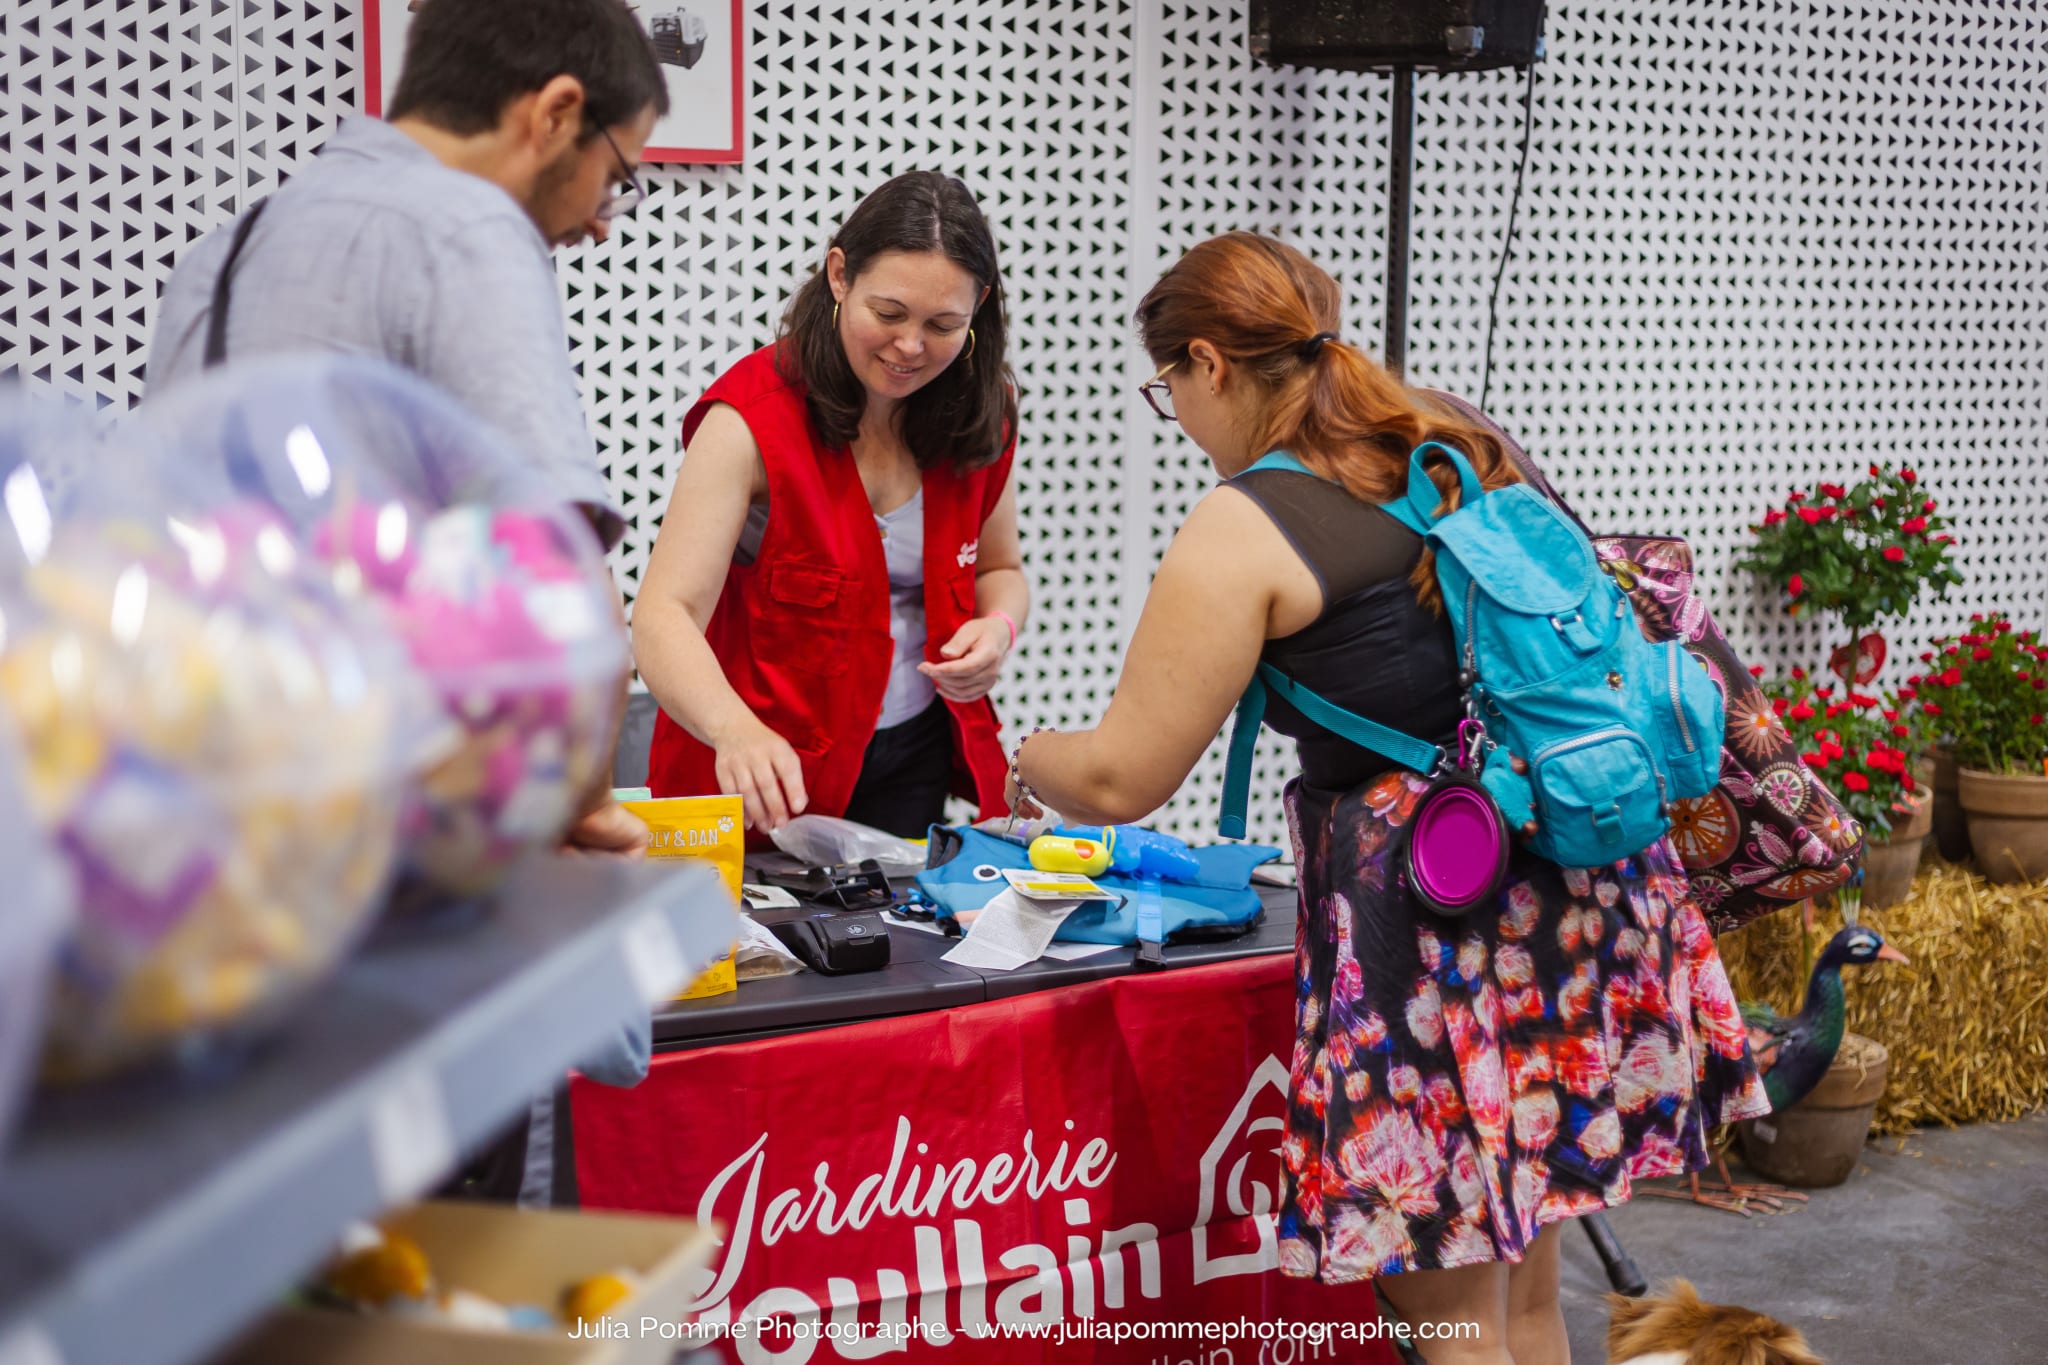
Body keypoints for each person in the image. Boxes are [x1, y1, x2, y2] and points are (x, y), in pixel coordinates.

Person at [1004, 233, 1766, 1365]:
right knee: (1519, 1290)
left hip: (1440, 932)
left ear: (1206, 365)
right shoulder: (1450, 442)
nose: (1180, 415)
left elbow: (1122, 776)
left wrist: (1024, 753)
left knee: (1445, 1312)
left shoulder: (1244, 523)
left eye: (1168, 389)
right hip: (1582, 888)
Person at [146, 0, 668, 856]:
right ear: (557, 112)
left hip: (196, 803)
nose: (602, 220)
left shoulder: (228, 247)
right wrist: (582, 804)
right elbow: (558, 567)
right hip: (377, 822)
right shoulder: (470, 227)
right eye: (615, 176)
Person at [634, 172, 1027, 839]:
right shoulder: (749, 421)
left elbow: (1001, 571)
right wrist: (734, 729)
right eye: (890, 314)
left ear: (978, 309)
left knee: (902, 940)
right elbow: (663, 615)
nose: (910, 347)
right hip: (760, 768)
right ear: (840, 276)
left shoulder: (982, 413)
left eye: (943, 325)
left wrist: (999, 631)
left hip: (910, 755)